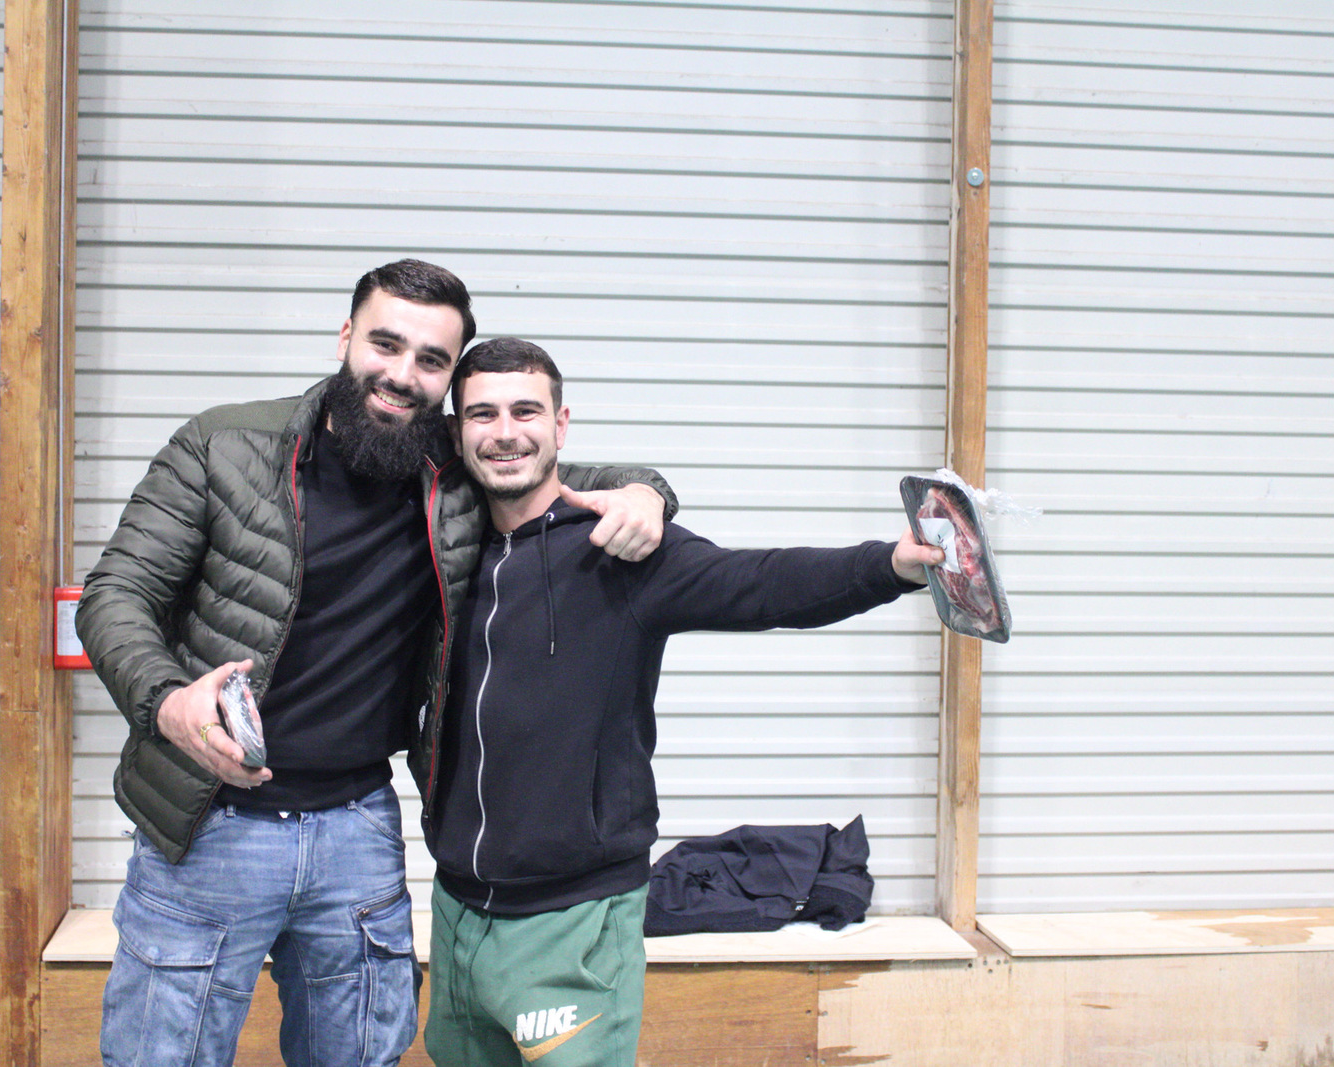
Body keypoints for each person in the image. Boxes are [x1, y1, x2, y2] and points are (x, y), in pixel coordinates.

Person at [75, 260, 678, 1067]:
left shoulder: (453, 472)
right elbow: (116, 592)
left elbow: (565, 478)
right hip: (209, 825)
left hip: (356, 829)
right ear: (346, 336)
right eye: (385, 344)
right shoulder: (223, 445)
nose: (401, 374)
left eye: (431, 361)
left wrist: (648, 494)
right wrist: (166, 699)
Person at [421, 338, 945, 1067]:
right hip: (455, 911)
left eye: (525, 411)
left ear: (561, 424)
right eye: (483, 414)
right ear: (457, 432)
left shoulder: (621, 551)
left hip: (574, 917)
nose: (505, 432)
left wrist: (890, 565)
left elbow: (761, 583)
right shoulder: (448, 549)